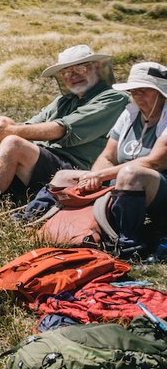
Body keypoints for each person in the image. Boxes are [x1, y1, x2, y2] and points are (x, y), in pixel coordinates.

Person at [0, 44, 128, 218]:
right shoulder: (63, 101)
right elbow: (28, 125)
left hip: (74, 171)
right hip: (47, 161)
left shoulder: (113, 98)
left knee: (12, 141)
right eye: (67, 71)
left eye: (80, 68)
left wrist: (7, 131)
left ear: (96, 68)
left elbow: (62, 129)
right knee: (2, 125)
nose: (73, 76)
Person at [77, 61, 167, 258]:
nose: (137, 95)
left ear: (161, 92)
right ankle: (42, 224)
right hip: (123, 185)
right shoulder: (129, 114)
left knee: (131, 174)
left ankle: (129, 244)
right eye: (134, 90)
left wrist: (102, 175)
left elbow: (155, 162)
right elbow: (107, 156)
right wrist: (93, 177)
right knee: (66, 176)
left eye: (145, 90)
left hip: (159, 189)